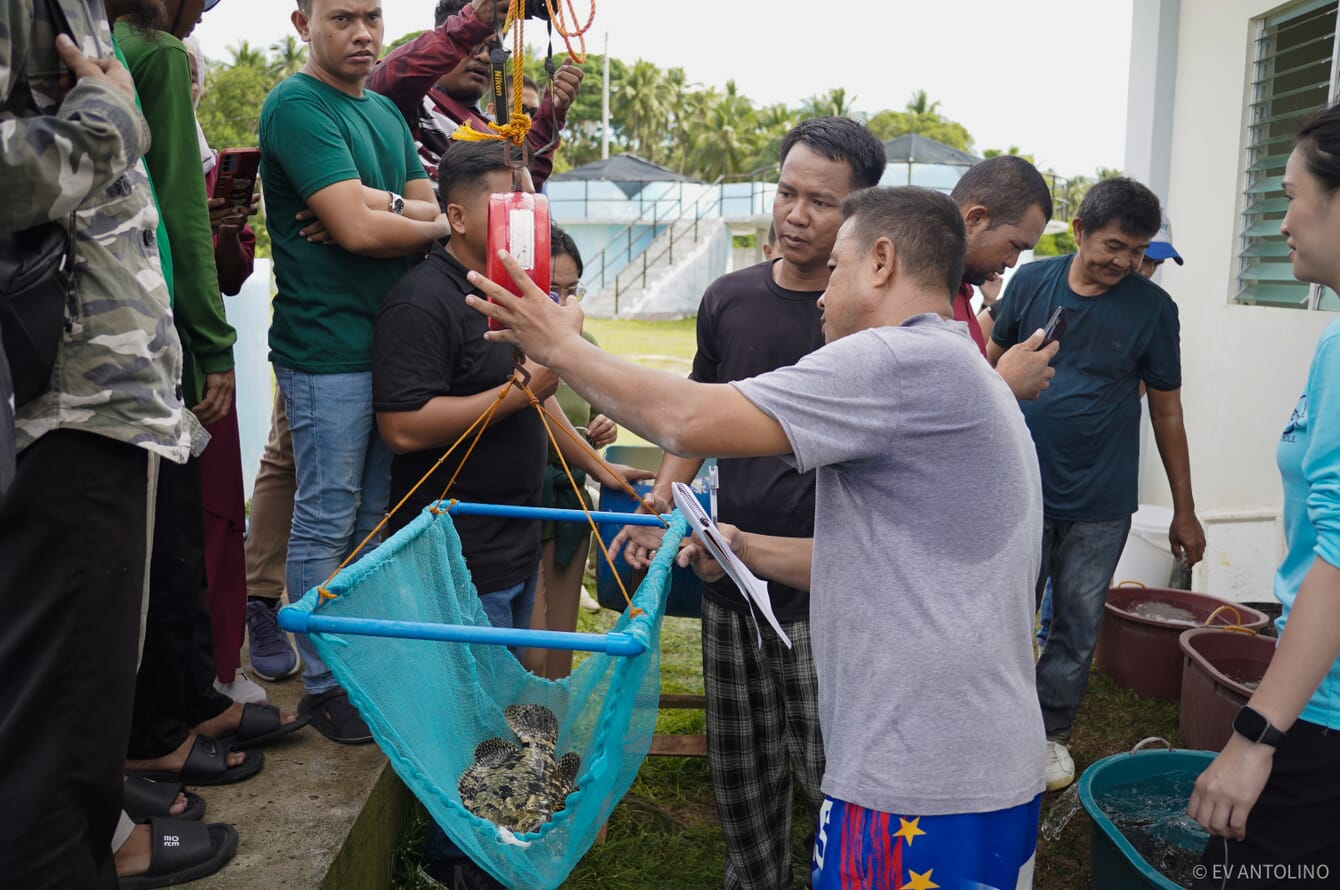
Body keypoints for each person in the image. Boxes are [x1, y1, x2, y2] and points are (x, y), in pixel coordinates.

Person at [469, 185, 1047, 890]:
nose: (821, 295)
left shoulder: (899, 362)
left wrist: (556, 344)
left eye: (837, 267)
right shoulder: (957, 370)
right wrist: (745, 550)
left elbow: (686, 417)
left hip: (920, 779)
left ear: (882, 263)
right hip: (975, 763)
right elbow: (897, 567)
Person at [613, 116, 887, 890]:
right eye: (788, 193)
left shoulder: (866, 326)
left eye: (821, 202)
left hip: (828, 586)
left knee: (831, 765)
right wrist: (662, 498)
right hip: (727, 570)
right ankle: (755, 876)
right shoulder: (728, 299)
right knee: (741, 766)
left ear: (860, 217)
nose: (797, 215)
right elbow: (697, 410)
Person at [371, 138, 649, 889]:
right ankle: (455, 863)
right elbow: (402, 426)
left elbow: (540, 398)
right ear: (455, 215)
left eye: (527, 194)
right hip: (456, 551)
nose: (522, 210)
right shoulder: (423, 300)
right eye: (504, 197)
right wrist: (530, 389)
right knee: (468, 714)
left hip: (510, 540)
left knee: (497, 705)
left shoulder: (504, 293)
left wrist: (594, 459)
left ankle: (482, 845)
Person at [0, 0, 223, 884]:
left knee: (87, 692)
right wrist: (107, 123)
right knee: (58, 705)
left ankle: (88, 836)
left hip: (99, 394)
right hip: (57, 398)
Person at [259, 0, 452, 743]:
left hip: (390, 346)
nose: (364, 33)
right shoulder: (296, 107)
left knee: (374, 516)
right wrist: (394, 220)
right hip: (327, 346)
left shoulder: (384, 114)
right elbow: (361, 231)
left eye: (372, 15)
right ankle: (323, 681)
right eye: (342, 17)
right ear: (302, 22)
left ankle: (359, 664)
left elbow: (425, 217)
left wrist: (391, 210)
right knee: (329, 511)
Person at [988, 176, 1206, 791]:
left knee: (1077, 624)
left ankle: (1049, 734)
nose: (1124, 261)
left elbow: (1167, 412)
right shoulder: (1031, 282)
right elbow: (987, 367)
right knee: (1004, 610)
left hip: (1101, 500)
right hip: (1018, 486)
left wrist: (1183, 511)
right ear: (1080, 231)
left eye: (1137, 251)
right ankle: (997, 723)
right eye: (1114, 244)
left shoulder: (1155, 311)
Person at [1186, 105, 1340, 888]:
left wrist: (1254, 737)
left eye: (1289, 194)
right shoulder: (1335, 339)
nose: (1280, 221)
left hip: (1324, 719)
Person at [524, 227, 619, 681]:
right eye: (549, 289)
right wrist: (598, 462)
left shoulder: (587, 345)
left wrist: (602, 431)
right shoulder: (513, 343)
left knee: (560, 645)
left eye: (570, 290)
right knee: (529, 648)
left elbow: (602, 415)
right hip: (521, 502)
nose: (562, 303)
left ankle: (547, 744)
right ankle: (509, 743)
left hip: (570, 503)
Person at [367, 0, 580, 192]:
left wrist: (552, 111)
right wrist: (471, 23)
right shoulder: (412, 102)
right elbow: (387, 79)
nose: (485, 57)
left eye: (495, 48)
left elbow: (525, 175)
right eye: (475, 44)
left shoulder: (493, 128)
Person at [950, 155, 1059, 400]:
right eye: (1013, 246)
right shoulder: (911, 291)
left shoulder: (958, 287)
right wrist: (1004, 384)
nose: (1012, 262)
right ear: (975, 219)